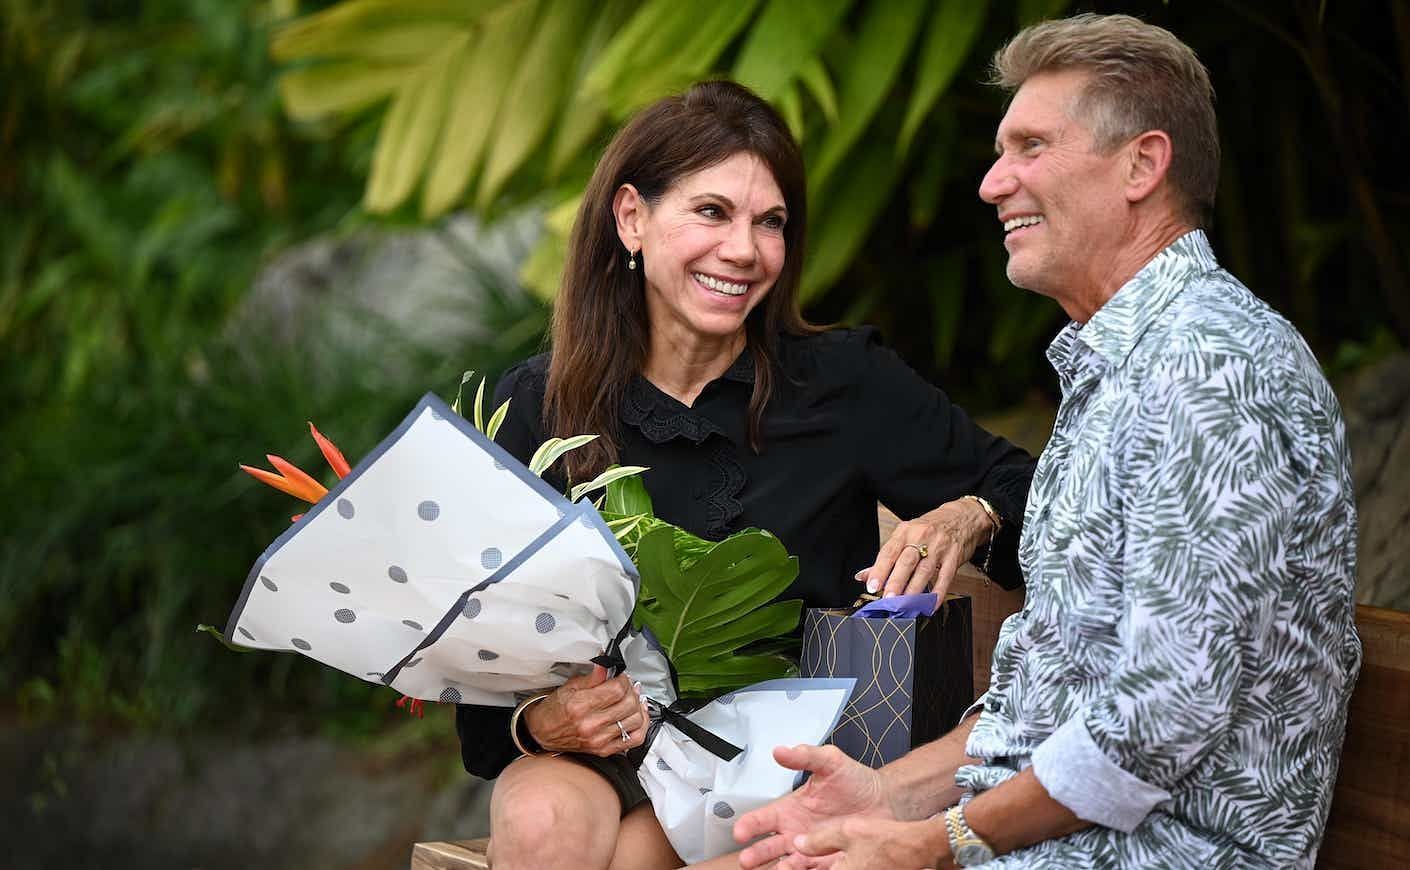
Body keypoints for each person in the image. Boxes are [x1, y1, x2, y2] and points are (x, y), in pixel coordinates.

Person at [735, 14, 1361, 870]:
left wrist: (930, 844)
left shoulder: (1211, 370)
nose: (993, 183)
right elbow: (1050, 701)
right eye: (1001, 152)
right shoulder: (1119, 367)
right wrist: (889, 796)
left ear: (1142, 164)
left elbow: (1153, 723)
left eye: (1030, 147)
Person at [451, 81, 1036, 870]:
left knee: (631, 858)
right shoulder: (538, 404)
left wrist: (969, 512)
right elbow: (481, 680)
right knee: (540, 816)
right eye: (712, 212)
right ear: (632, 218)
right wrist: (542, 723)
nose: (744, 251)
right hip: (603, 752)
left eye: (771, 223)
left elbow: (1039, 489)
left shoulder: (841, 385)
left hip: (776, 761)